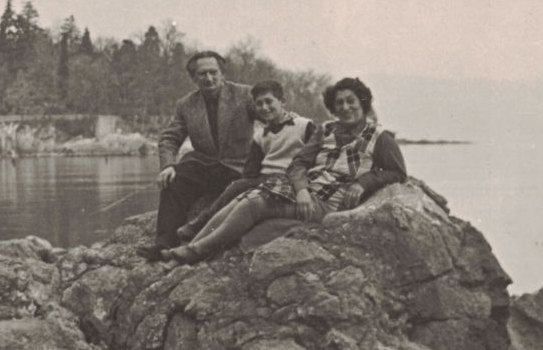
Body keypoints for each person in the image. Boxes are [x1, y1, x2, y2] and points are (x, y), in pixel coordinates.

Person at [162, 76, 406, 264]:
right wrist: (301, 190)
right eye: (339, 102)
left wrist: (364, 182)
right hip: (305, 193)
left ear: (362, 102)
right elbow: (299, 163)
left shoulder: (380, 137)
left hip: (330, 202)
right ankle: (191, 246)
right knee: (245, 196)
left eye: (350, 101)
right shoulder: (326, 130)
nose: (345, 107)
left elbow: (397, 172)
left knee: (255, 203)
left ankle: (194, 251)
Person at [137, 50, 255, 260]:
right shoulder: (186, 104)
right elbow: (170, 139)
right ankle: (164, 244)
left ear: (222, 73)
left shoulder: (245, 95)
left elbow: (271, 115)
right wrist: (167, 166)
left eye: (213, 72)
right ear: (193, 78)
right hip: (206, 166)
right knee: (174, 180)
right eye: (202, 74)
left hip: (239, 167)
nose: (209, 78)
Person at [175, 79, 316, 242]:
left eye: (269, 102)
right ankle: (200, 232)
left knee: (239, 189)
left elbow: (316, 155)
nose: (264, 107)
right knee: (237, 188)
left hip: (289, 178)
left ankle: (199, 225)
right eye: (259, 104)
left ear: (283, 101)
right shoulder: (261, 134)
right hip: (264, 179)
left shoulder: (303, 125)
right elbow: (251, 169)